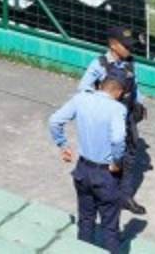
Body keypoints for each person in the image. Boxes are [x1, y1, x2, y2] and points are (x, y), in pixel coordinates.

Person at [49, 78, 128, 254]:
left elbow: (54, 120)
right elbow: (118, 139)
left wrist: (63, 145)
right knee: (110, 226)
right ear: (119, 92)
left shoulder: (80, 99)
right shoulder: (117, 109)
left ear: (100, 87)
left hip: (82, 170)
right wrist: (116, 162)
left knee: (85, 219)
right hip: (106, 174)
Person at [79, 25, 147, 215]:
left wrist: (140, 103)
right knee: (105, 158)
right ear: (113, 45)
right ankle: (102, 195)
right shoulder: (99, 65)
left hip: (127, 117)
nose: (130, 49)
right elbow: (83, 89)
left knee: (129, 157)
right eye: (126, 46)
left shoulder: (130, 62)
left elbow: (135, 85)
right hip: (108, 120)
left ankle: (124, 196)